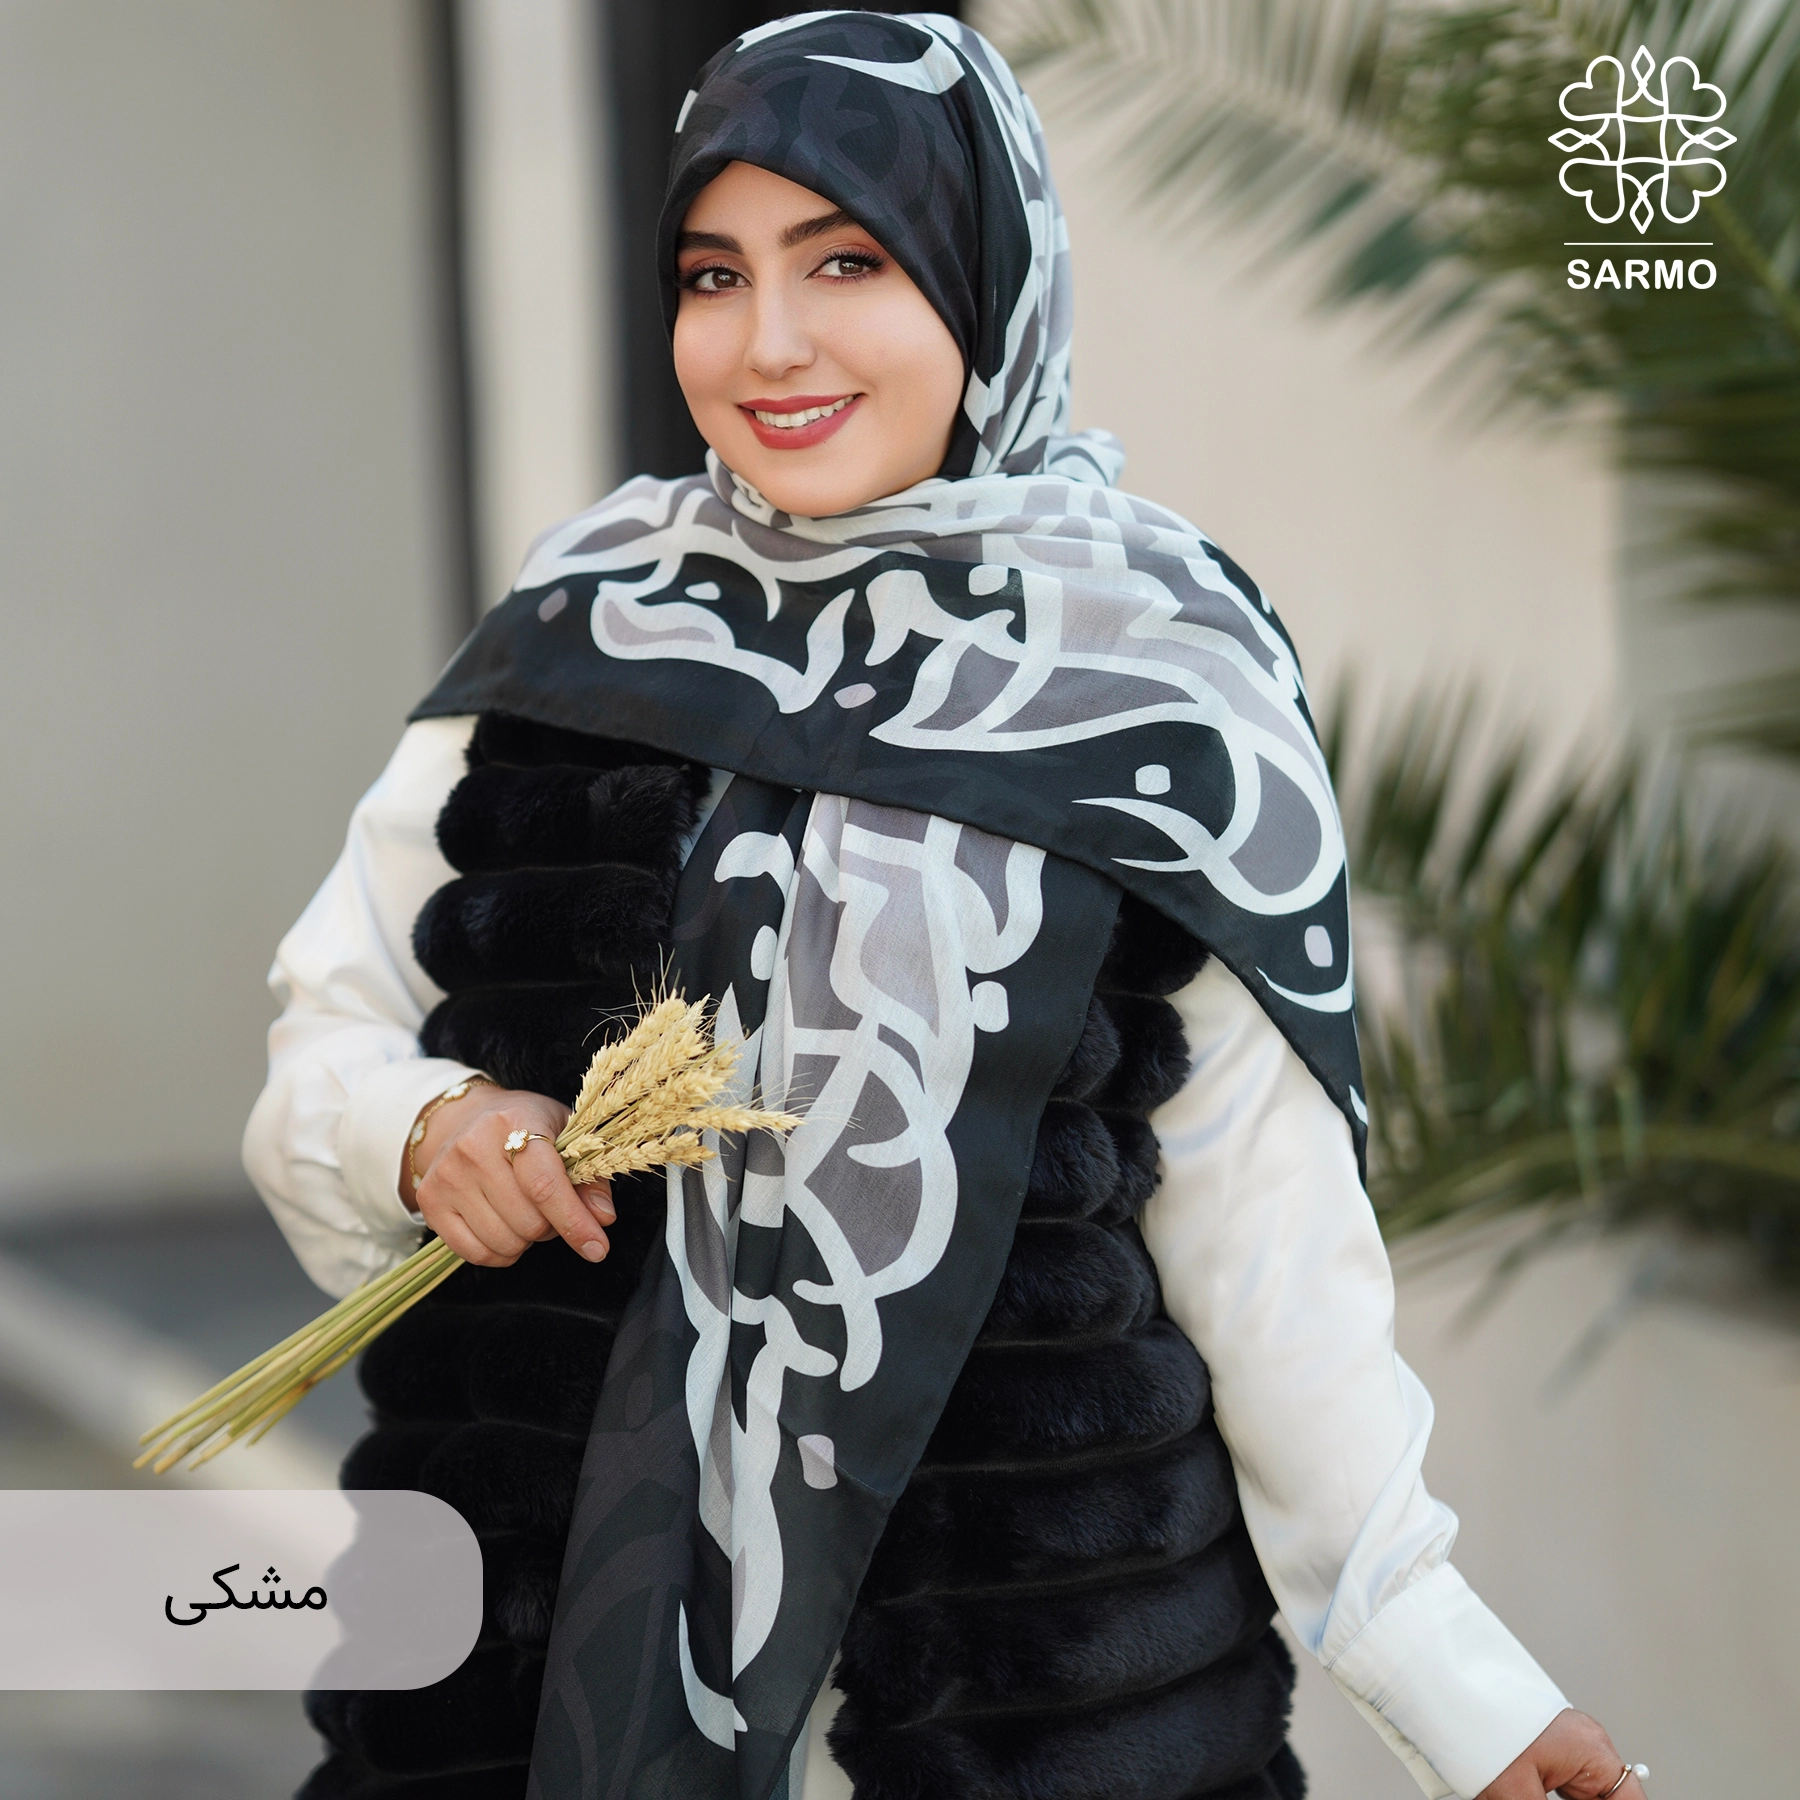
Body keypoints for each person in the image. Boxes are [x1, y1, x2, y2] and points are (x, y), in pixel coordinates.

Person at [244, 14, 1648, 1800]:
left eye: (847, 260)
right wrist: (424, 1128)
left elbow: (1269, 1254)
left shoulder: (1159, 685)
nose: (769, 341)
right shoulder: (579, 632)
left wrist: (1461, 1693)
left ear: (985, 278)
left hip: (1035, 1702)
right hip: (511, 1684)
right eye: (713, 274)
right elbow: (327, 1043)